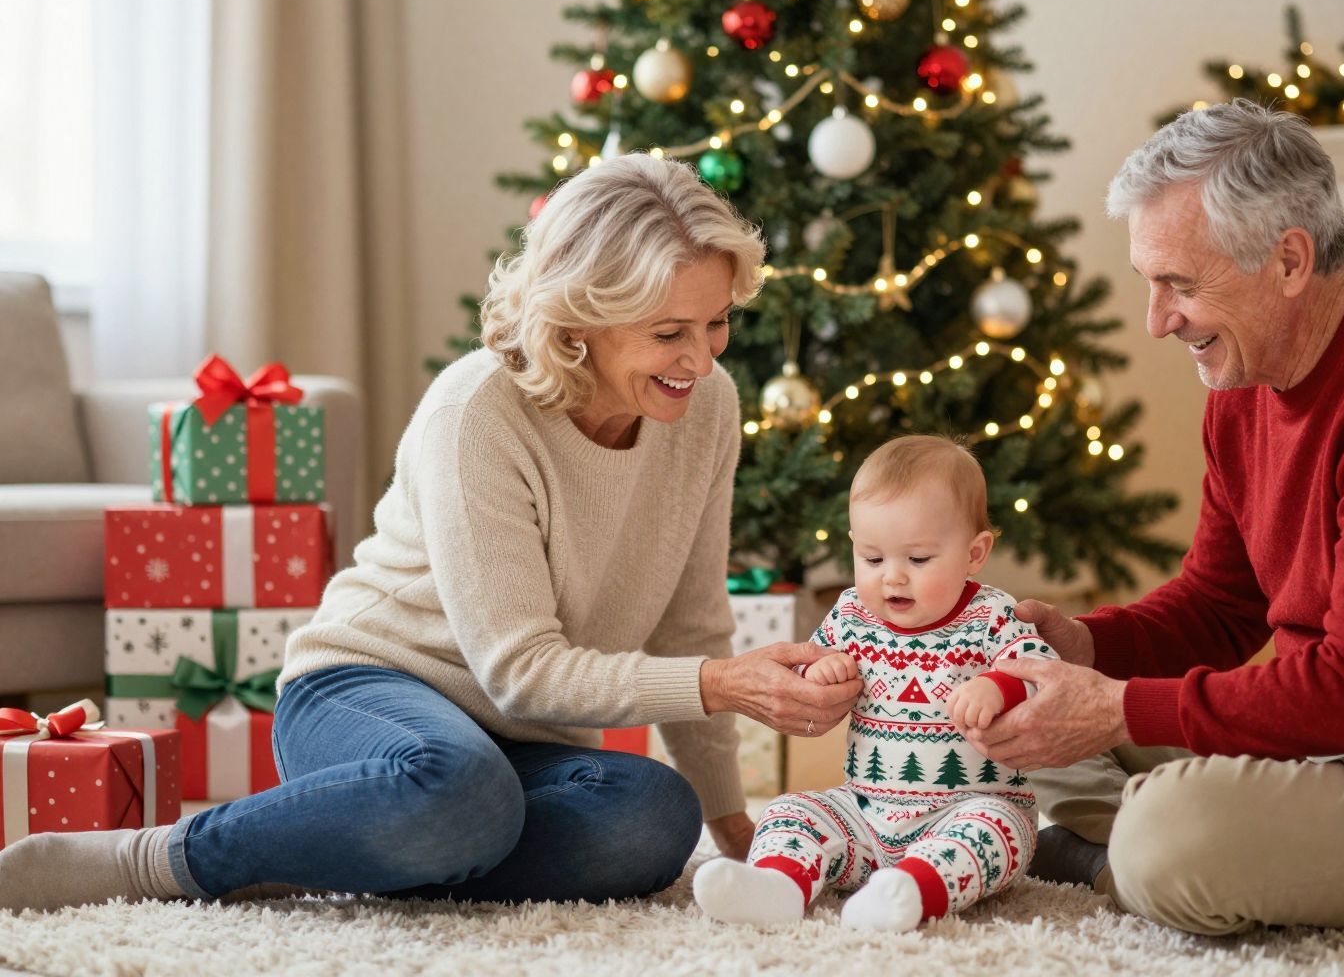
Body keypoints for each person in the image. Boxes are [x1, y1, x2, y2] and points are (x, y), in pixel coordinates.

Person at [0, 152, 861, 912]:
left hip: (521, 748)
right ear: (579, 320)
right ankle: (163, 858)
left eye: (717, 323)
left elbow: (691, 621)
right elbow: (521, 671)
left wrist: (729, 821)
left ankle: (349, 846)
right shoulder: (478, 408)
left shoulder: (706, 406)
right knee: (458, 793)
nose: (702, 359)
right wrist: (721, 684)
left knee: (652, 818)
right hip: (366, 695)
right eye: (669, 332)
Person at [955, 99, 1344, 935]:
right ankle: (1114, 846)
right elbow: (1220, 606)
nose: (1157, 321)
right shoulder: (1245, 382)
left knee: (1169, 832)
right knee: (1016, 711)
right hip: (1339, 746)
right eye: (1149, 284)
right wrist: (1083, 650)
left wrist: (1115, 707)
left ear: (1290, 259)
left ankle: (1115, 849)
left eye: (1179, 285)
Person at [694, 435, 1058, 931]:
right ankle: (778, 887)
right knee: (794, 809)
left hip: (967, 807)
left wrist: (998, 686)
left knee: (994, 833)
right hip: (864, 811)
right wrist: (818, 672)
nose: (892, 578)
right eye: (872, 559)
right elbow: (808, 670)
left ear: (975, 553)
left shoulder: (991, 615)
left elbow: (1042, 670)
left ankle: (912, 892)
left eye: (918, 560)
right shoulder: (851, 614)